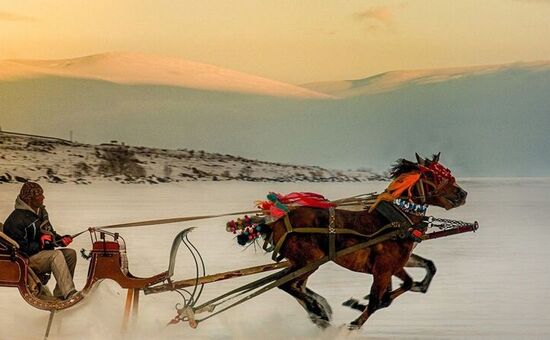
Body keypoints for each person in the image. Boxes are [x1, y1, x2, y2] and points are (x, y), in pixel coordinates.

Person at [3, 182, 77, 300]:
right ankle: (70, 293)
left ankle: (61, 294)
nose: (43, 197)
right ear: (29, 199)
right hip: (27, 259)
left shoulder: (40, 212)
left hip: (41, 253)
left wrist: (60, 239)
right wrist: (41, 244)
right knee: (56, 255)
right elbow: (19, 248)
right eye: (39, 195)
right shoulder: (15, 220)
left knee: (70, 254)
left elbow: (48, 233)